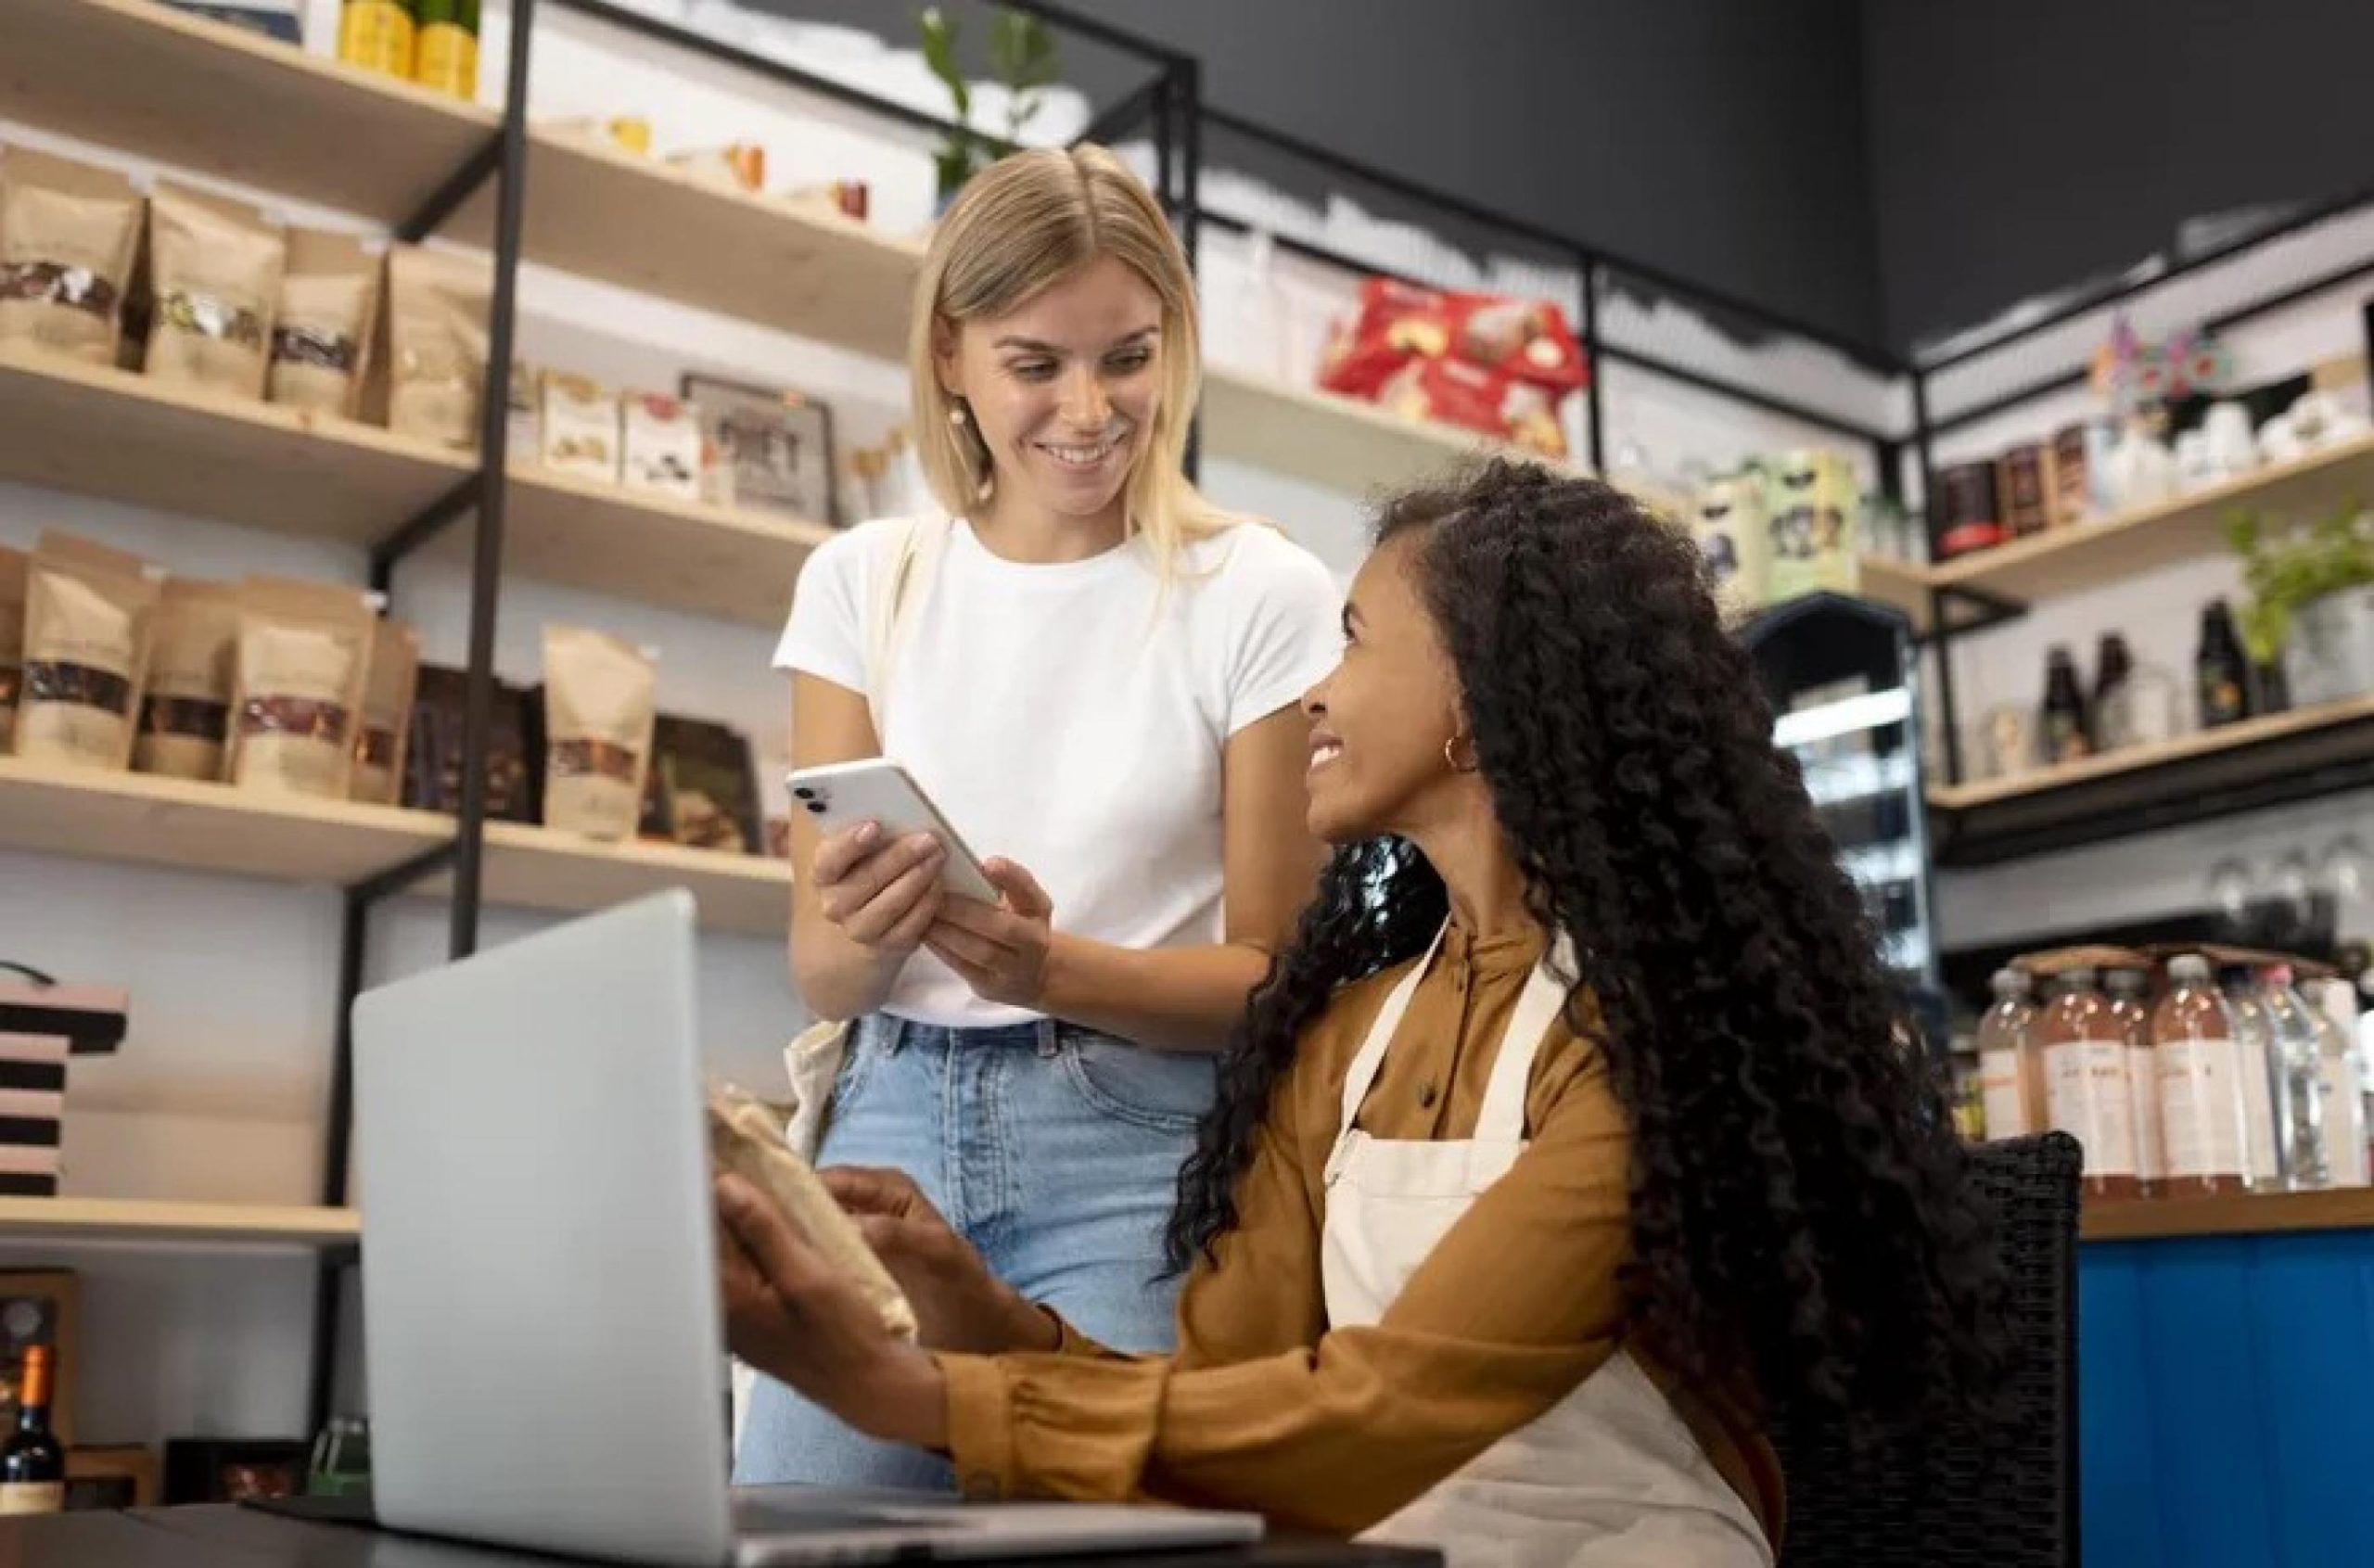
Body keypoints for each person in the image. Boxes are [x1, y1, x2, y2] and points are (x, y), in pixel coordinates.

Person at [718, 461, 2004, 1564]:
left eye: (1353, 640)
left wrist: (914, 1394)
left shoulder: (1643, 1045)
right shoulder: (1347, 1034)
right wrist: (972, 1309)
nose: (1314, 693)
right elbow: (1228, 1405)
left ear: (1476, 701)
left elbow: (1387, 1410)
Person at [740, 144, 1341, 1489]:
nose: (1090, 409)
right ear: (951, 355)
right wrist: (880, 930)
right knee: (798, 1528)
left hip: (1141, 1144)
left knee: (1105, 1534)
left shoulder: (1259, 591)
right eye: (1036, 364)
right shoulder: (862, 583)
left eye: (1127, 357)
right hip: (887, 1124)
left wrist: (1049, 968)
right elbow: (822, 971)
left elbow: (1275, 982)